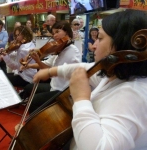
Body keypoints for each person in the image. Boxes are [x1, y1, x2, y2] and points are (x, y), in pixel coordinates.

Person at [32, 9, 147, 150]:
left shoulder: (132, 94)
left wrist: (81, 99)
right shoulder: (114, 76)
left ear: (120, 46)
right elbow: (84, 67)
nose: (95, 44)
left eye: (100, 38)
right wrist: (51, 71)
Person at [21, 21, 81, 113]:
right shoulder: (60, 50)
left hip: (63, 91)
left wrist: (38, 60)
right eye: (53, 33)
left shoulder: (72, 51)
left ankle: (37, 121)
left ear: (67, 33)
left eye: (57, 32)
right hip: (54, 86)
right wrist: (29, 65)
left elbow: (52, 73)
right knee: (29, 87)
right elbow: (47, 64)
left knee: (33, 101)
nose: (54, 36)